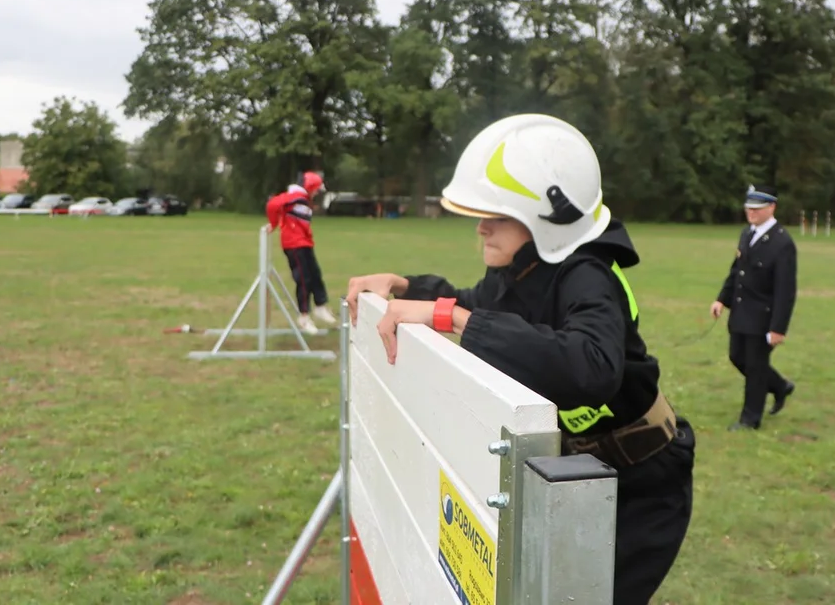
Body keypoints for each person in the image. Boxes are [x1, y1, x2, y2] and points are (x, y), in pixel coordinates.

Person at [345, 114, 695, 605]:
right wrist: (407, 287)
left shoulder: (588, 275)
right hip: (580, 480)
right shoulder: (525, 267)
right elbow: (473, 303)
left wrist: (455, 319)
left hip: (643, 485)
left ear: (548, 217)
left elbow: (591, 367)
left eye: (499, 215)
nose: (481, 228)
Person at [709, 184, 797, 431]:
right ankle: (779, 386)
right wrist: (721, 299)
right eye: (749, 208)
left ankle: (750, 419)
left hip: (763, 318)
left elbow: (785, 290)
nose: (751, 213)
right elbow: (737, 271)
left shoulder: (782, 243)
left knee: (756, 368)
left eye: (757, 209)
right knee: (737, 357)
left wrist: (778, 328)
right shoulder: (747, 234)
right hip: (740, 313)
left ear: (772, 207)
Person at [265, 171, 336, 332]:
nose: (318, 192)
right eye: (317, 189)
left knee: (315, 274)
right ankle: (303, 316)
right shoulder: (294, 196)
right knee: (304, 279)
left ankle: (320, 306)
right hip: (293, 245)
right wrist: (273, 223)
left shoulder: (304, 199)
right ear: (310, 187)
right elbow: (272, 205)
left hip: (304, 243)